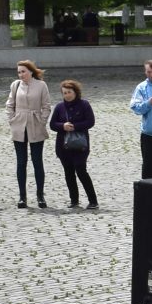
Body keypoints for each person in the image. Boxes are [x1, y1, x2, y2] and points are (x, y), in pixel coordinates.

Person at [5, 60, 52, 208]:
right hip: (19, 125)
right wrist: (12, 119)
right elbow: (9, 104)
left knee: (37, 161)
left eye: (23, 71)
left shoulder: (41, 85)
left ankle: (40, 195)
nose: (21, 74)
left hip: (35, 124)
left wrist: (42, 120)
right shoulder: (15, 85)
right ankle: (22, 197)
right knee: (21, 162)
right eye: (19, 72)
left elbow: (46, 105)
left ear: (31, 71)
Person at [49, 78, 98, 208]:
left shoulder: (84, 105)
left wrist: (75, 126)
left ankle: (93, 201)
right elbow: (52, 125)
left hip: (80, 145)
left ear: (75, 92)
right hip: (63, 146)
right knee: (68, 173)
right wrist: (63, 126)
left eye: (69, 92)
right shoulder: (59, 107)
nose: (67, 95)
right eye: (64, 93)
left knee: (81, 170)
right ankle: (74, 200)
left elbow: (90, 122)